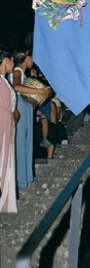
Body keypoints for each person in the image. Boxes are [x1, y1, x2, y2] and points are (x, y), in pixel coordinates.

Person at [8, 48, 50, 188]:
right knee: (21, 142)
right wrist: (39, 91)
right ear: (27, 58)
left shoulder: (22, 72)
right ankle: (20, 179)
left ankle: (24, 178)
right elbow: (16, 86)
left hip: (25, 107)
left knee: (26, 142)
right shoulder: (18, 71)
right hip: (20, 106)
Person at [0, 51, 18, 213]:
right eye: (12, 61)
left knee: (6, 162)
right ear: (6, 61)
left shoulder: (4, 81)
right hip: (1, 126)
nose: (14, 64)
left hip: (7, 125)